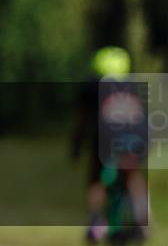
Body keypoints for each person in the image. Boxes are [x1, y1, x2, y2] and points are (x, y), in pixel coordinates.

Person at [72, 46, 148, 244]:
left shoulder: (93, 84)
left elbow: (82, 120)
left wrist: (76, 147)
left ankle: (96, 222)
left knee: (97, 178)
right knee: (133, 174)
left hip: (107, 136)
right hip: (138, 136)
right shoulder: (134, 85)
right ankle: (143, 222)